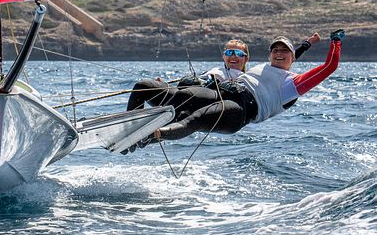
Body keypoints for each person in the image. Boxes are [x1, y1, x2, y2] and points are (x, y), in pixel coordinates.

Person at [132, 29, 343, 149]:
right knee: (170, 92)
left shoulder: (293, 84)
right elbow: (291, 54)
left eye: (284, 51)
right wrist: (308, 43)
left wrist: (335, 41)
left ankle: (149, 135)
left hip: (241, 110)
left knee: (194, 119)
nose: (279, 53)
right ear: (270, 55)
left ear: (292, 58)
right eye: (275, 50)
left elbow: (329, 67)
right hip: (222, 94)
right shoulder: (266, 67)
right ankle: (129, 125)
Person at [126, 34, 319, 112]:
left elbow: (286, 59)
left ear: (246, 58)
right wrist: (165, 84)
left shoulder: (248, 77)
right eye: (229, 53)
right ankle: (131, 125)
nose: (233, 57)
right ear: (224, 56)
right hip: (182, 96)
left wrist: (308, 44)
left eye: (238, 53)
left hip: (200, 104)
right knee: (143, 86)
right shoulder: (216, 70)